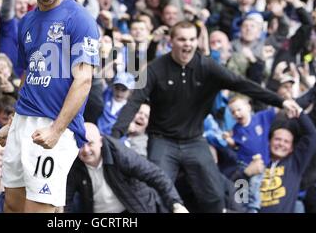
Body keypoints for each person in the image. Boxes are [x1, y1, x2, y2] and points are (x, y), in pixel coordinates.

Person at [112, 21, 302, 213]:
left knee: (214, 195)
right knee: (156, 193)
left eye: (192, 39)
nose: (188, 44)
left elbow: (241, 83)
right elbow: (134, 102)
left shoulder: (207, 66)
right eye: (182, 39)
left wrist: (281, 101)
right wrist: (115, 135)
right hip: (162, 140)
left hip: (194, 139)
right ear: (171, 41)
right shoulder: (156, 68)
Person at [0, 0, 100, 213]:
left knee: (38, 209)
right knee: (13, 205)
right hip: (23, 125)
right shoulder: (27, 21)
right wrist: (15, 122)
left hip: (55, 125)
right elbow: (30, 76)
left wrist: (56, 130)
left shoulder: (79, 19)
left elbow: (84, 80)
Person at [65, 123, 187, 213]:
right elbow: (66, 199)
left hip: (133, 208)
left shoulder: (119, 153)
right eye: (80, 144)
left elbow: (154, 174)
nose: (86, 150)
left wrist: (176, 204)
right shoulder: (72, 162)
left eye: (90, 143)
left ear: (100, 141)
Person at [234, 111, 316, 213]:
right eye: (277, 139)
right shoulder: (255, 162)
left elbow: (311, 135)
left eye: (286, 141)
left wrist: (298, 112)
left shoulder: (295, 164)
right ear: (269, 142)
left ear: (291, 148)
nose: (281, 143)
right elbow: (238, 200)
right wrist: (245, 174)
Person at [223, 96, 276, 212]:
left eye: (239, 109)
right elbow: (235, 145)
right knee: (241, 191)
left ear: (248, 107)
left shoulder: (261, 118)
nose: (236, 114)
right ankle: (243, 208)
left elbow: (276, 109)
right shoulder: (236, 129)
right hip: (242, 166)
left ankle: (253, 208)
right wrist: (228, 139)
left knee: (255, 187)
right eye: (233, 112)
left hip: (261, 165)